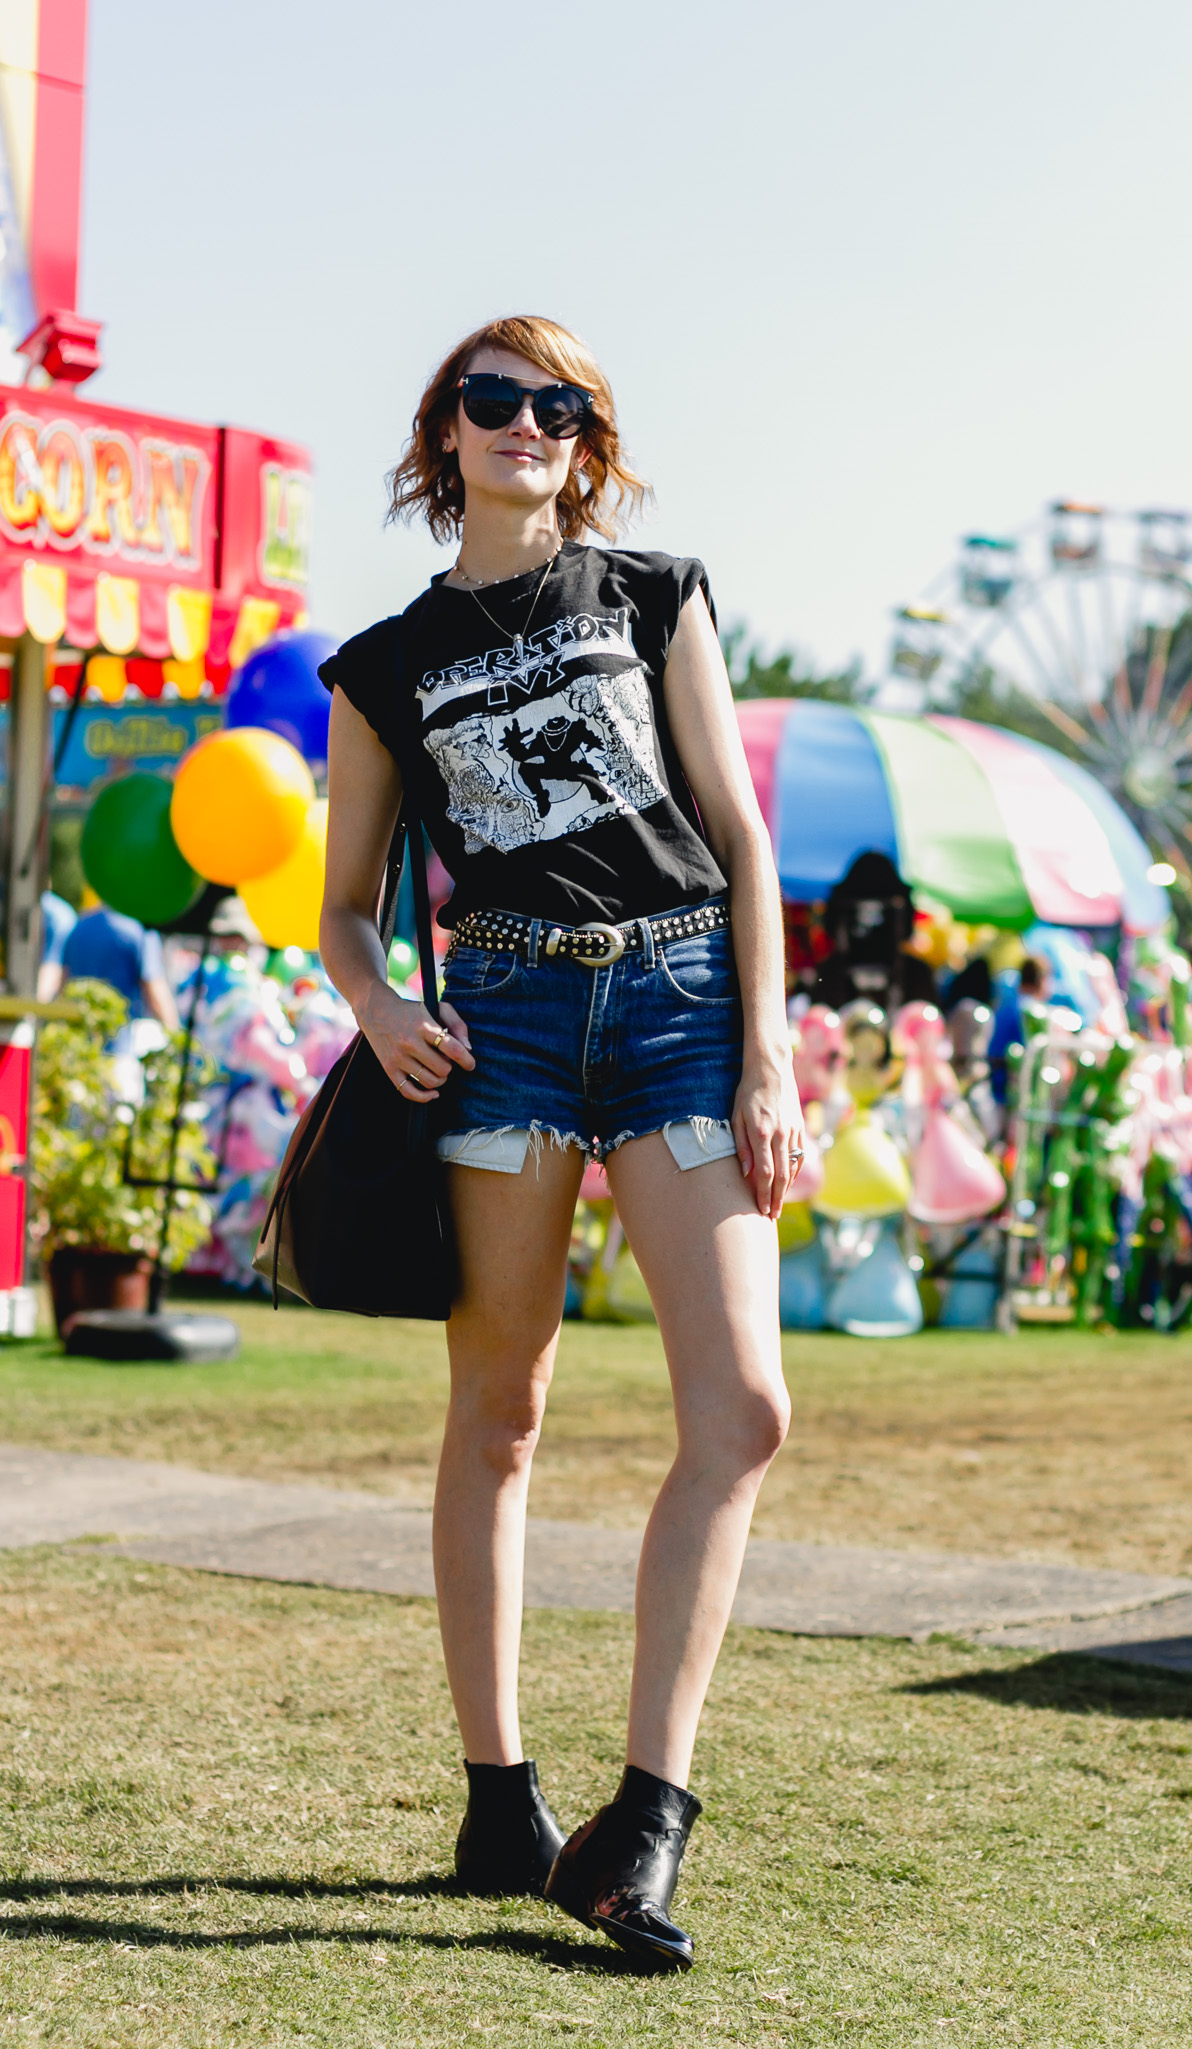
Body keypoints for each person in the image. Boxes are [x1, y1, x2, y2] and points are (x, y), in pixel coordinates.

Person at [318, 315, 799, 1972]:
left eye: (562, 404)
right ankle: (497, 1793)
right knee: (501, 1408)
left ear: (588, 440)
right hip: (504, 1023)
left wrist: (774, 1053)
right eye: (494, 397)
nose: (527, 421)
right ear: (443, 429)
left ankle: (645, 1816)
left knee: (743, 1407)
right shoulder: (382, 663)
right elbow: (341, 914)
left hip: (678, 1005)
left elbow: (737, 835)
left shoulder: (654, 592)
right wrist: (380, 1005)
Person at [60, 900, 179, 1032]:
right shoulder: (141, 930)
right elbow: (156, 993)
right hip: (120, 1040)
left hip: (77, 1036)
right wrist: (175, 1036)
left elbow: (63, 983)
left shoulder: (79, 926)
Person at [987, 954, 1049, 1104]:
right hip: (1009, 1089)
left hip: (993, 1081)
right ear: (1041, 980)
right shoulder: (1032, 1012)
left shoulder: (1006, 1005)